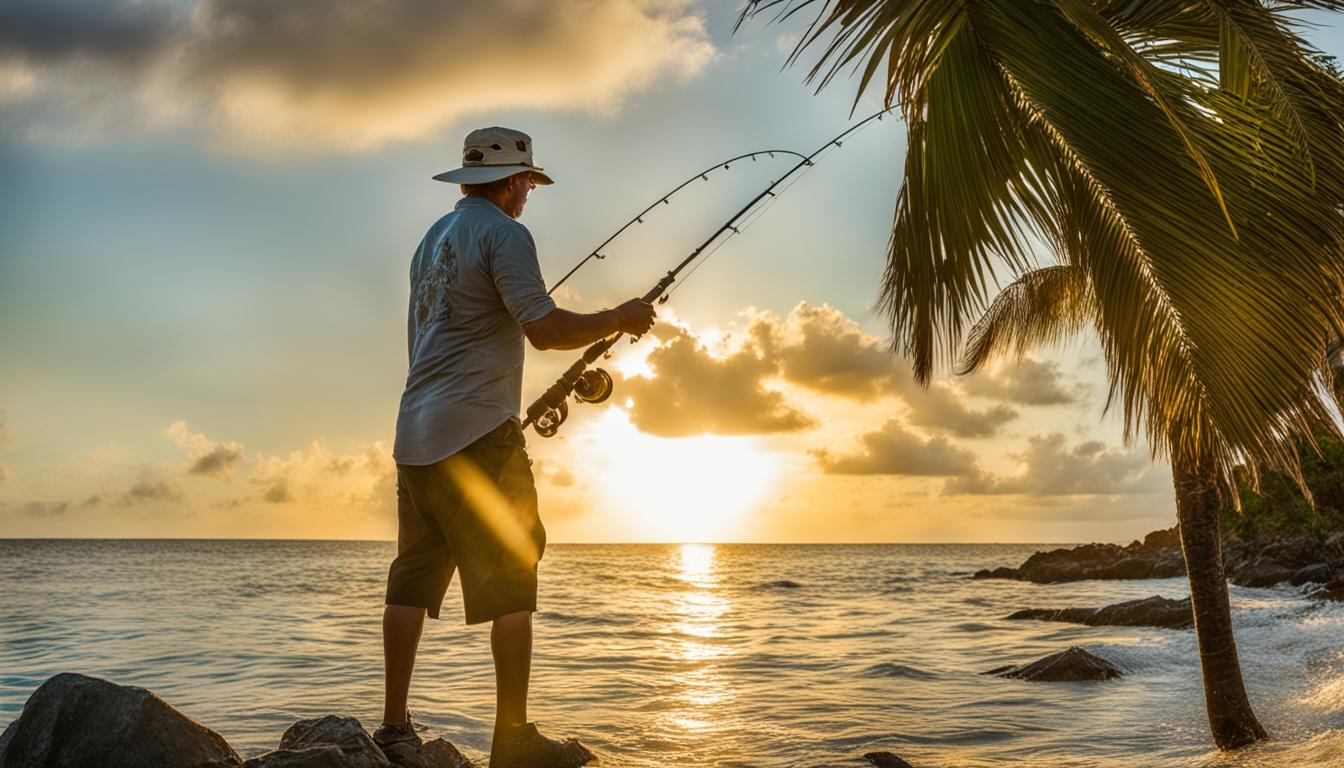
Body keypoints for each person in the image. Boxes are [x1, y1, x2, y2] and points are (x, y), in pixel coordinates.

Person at [374, 127, 656, 766]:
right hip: (478, 436)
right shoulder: (505, 234)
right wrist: (620, 317)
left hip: (414, 435)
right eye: (528, 181)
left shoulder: (430, 241)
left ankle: (392, 727)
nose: (530, 192)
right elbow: (546, 331)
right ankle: (514, 739)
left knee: (411, 579)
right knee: (514, 574)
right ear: (509, 181)